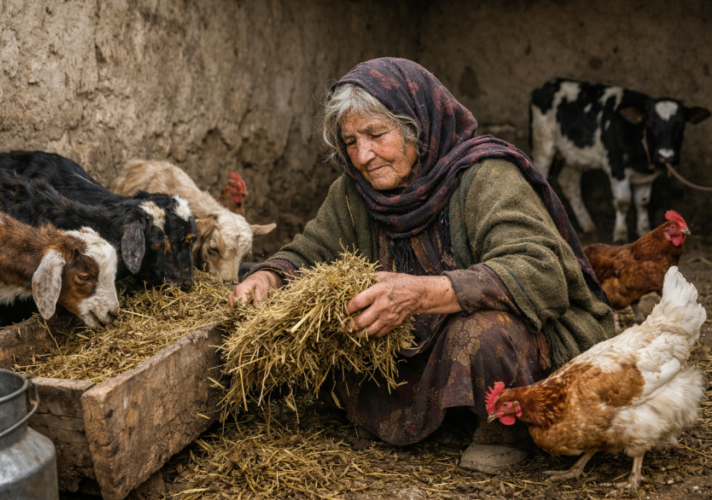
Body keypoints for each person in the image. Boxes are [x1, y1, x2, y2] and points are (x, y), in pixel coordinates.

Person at [229, 58, 614, 473]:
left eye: (376, 134)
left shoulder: (485, 176)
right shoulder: (354, 192)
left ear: (418, 126)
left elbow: (541, 271)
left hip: (518, 341)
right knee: (338, 318)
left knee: (486, 332)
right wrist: (269, 274)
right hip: (417, 342)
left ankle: (502, 432)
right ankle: (412, 414)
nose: (363, 156)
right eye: (351, 141)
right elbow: (311, 249)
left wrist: (422, 293)